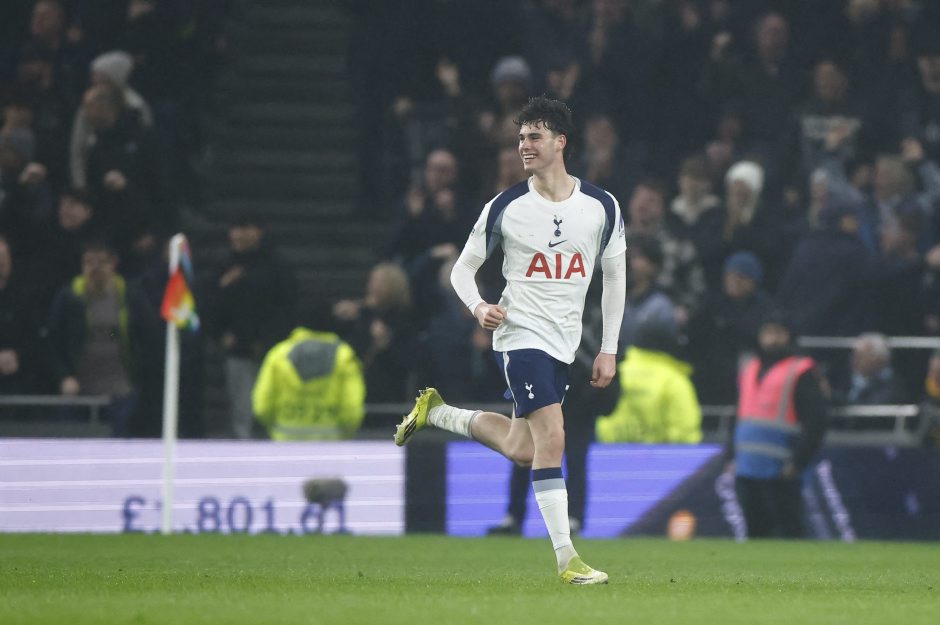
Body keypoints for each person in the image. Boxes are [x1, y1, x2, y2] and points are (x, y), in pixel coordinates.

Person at [394, 97, 626, 584]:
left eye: (534, 136)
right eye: (521, 138)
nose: (524, 145)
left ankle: (437, 413)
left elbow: (614, 278)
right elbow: (461, 270)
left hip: (564, 343)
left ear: (561, 142)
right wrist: (479, 307)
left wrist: (608, 348)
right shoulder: (505, 206)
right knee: (554, 438)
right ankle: (568, 560)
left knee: (524, 448)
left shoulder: (602, 206)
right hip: (520, 336)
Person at [726, 312, 828, 539]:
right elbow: (738, 415)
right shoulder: (749, 367)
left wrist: (798, 461)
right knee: (755, 532)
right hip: (747, 467)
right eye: (768, 333)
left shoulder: (800, 370)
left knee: (789, 531)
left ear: (788, 336)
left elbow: (816, 421)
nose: (772, 340)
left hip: (781, 470)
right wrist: (730, 455)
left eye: (778, 333)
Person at [46, 240, 156, 436]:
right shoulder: (69, 297)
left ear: (113, 263)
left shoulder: (129, 295)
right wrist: (64, 375)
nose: (95, 268)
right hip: (78, 389)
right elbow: (54, 339)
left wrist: (137, 373)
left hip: (120, 388)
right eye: (89, 262)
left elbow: (145, 335)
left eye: (101, 262)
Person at [596, 318, 702, 445]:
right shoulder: (675, 382)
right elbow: (686, 438)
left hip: (604, 453)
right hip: (660, 457)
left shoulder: (612, 373)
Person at [252, 325, 365, 441]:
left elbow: (262, 407)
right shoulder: (344, 355)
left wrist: (274, 426)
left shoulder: (278, 354)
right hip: (331, 441)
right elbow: (352, 410)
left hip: (285, 440)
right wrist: (346, 432)